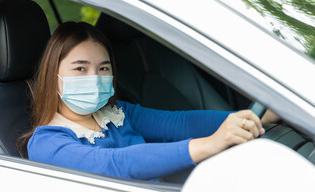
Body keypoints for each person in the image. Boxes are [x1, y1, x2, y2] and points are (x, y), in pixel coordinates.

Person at [22, 21, 276, 180]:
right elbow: (116, 165)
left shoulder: (116, 113)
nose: (95, 78)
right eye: (80, 69)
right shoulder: (47, 143)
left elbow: (178, 123)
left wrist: (254, 118)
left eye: (103, 68)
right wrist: (211, 144)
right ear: (53, 76)